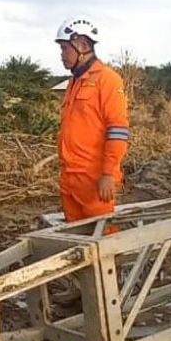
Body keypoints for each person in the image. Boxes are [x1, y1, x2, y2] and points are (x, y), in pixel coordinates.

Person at [54, 16, 130, 223]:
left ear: (82, 45)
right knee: (74, 236)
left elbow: (118, 130)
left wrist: (108, 174)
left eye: (65, 48)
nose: (62, 55)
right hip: (70, 178)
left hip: (94, 180)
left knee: (102, 235)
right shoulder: (74, 82)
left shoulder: (108, 80)